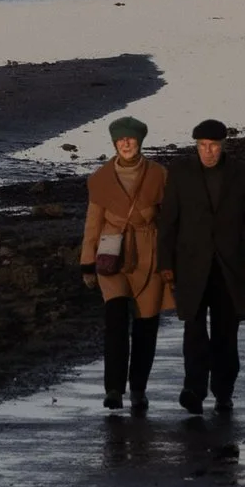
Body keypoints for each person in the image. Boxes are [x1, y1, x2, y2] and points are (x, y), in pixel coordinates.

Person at [158, 118, 245, 411]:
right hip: (191, 265)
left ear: (223, 145)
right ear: (196, 146)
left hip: (228, 266)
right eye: (202, 146)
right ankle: (193, 389)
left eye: (213, 146)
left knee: (226, 332)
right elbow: (168, 221)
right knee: (193, 330)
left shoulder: (242, 175)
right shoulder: (180, 174)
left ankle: (223, 390)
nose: (208, 152)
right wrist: (165, 262)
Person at [80, 116, 172, 409]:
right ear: (114, 143)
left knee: (147, 325)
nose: (126, 144)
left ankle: (138, 389)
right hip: (111, 253)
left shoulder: (160, 175)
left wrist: (172, 260)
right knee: (116, 318)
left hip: (150, 253)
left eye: (130, 139)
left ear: (140, 141)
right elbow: (92, 224)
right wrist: (86, 263)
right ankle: (114, 389)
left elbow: (171, 221)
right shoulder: (100, 179)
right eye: (121, 140)